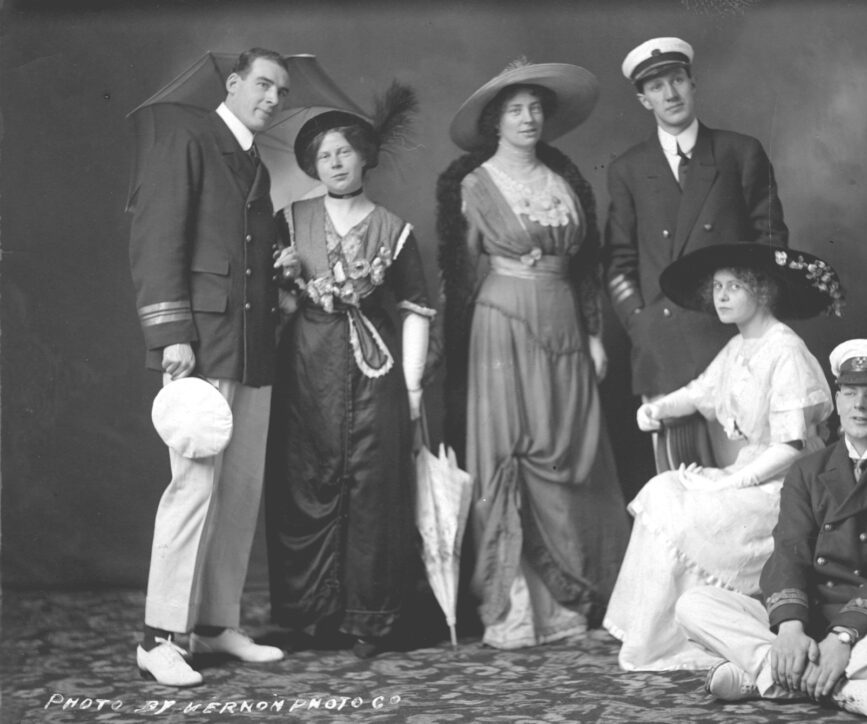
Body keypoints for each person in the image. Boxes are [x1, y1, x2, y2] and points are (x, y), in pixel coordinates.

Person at [437, 59, 629, 649]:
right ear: (495, 121)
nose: (528, 118)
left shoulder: (565, 179)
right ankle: (515, 609)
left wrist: (593, 332)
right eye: (516, 110)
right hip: (503, 327)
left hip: (565, 321)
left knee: (571, 452)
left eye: (536, 108)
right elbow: (460, 274)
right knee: (511, 450)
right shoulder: (474, 185)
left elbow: (587, 267)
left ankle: (569, 604)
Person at [675, 340, 867, 721]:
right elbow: (789, 550)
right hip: (806, 618)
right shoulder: (807, 471)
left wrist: (844, 636)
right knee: (693, 603)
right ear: (837, 400)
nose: (859, 405)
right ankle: (844, 687)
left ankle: (766, 676)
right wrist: (790, 628)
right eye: (850, 393)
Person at [128, 48, 290, 686]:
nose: (273, 98)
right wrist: (171, 332)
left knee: (239, 491)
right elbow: (156, 236)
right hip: (202, 341)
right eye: (263, 84)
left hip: (251, 345)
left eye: (281, 91)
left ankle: (216, 623)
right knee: (193, 487)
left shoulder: (255, 160)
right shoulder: (188, 137)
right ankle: (158, 637)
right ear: (233, 83)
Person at [604, 242, 844, 671]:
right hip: (749, 470)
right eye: (717, 287)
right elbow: (700, 391)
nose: (722, 296)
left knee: (689, 514)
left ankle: (686, 637)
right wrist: (658, 409)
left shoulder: (785, 349)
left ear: (763, 291)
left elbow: (790, 447)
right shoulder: (738, 347)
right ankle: (651, 634)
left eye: (735, 286)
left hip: (789, 485)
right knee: (662, 490)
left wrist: (732, 482)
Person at [264, 88, 433, 659]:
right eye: (324, 155)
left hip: (373, 370)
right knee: (304, 478)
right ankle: (308, 615)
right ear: (312, 165)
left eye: (344, 152)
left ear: (364, 156)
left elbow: (416, 308)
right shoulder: (291, 221)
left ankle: (369, 619)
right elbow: (277, 307)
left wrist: (412, 389)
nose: (335, 163)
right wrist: (286, 280)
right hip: (307, 365)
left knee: (371, 486)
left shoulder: (393, 228)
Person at [604, 37, 789, 474]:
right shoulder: (628, 170)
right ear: (644, 100)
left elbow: (771, 244)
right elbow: (619, 263)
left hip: (733, 342)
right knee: (678, 485)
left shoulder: (739, 153)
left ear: (693, 82)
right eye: (656, 87)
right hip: (662, 348)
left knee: (746, 478)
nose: (670, 94)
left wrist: (752, 321)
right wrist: (641, 322)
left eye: (677, 80)